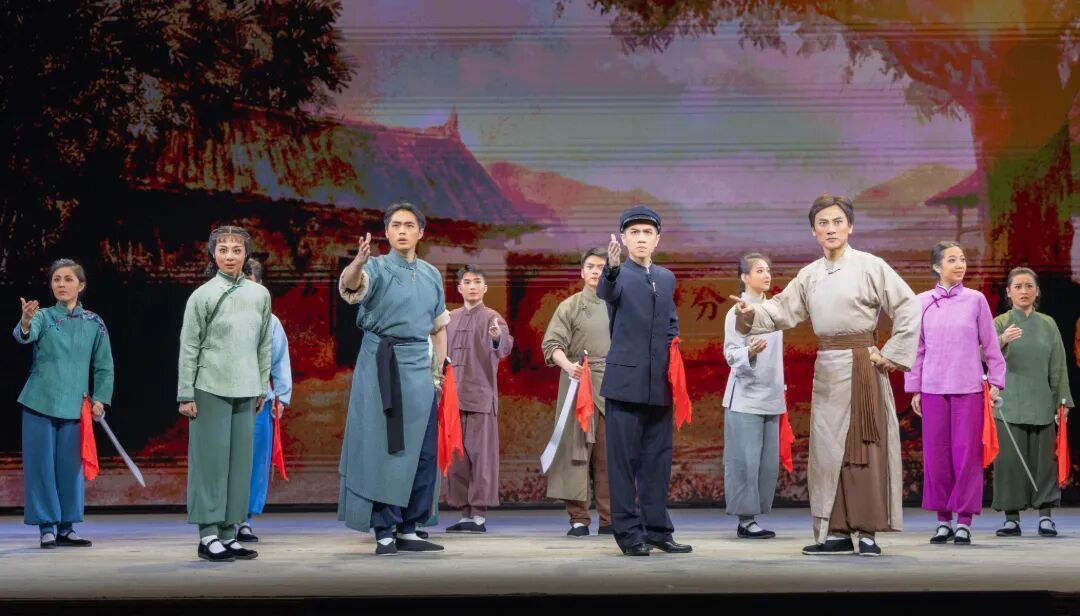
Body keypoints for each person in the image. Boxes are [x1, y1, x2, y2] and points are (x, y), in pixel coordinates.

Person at [731, 194, 919, 557]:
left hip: (863, 365)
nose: (830, 229)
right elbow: (781, 309)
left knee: (863, 447)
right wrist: (750, 314)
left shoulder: (871, 266)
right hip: (828, 369)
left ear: (850, 227)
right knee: (828, 450)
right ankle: (835, 531)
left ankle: (867, 531)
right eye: (823, 223)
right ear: (813, 232)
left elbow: (908, 305)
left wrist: (891, 353)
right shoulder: (810, 275)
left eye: (837, 222)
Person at [338, 202, 448, 555]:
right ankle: (384, 527)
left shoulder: (431, 274)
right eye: (396, 225)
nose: (402, 230)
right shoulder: (375, 267)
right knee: (384, 446)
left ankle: (410, 526)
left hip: (419, 367)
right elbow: (351, 286)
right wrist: (358, 262)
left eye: (409, 225)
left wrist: (438, 373)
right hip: (381, 363)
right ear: (386, 232)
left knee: (423, 449)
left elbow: (438, 328)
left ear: (421, 232)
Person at [598, 205, 691, 556]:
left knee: (657, 462)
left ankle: (658, 531)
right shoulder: (618, 274)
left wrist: (673, 352)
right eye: (634, 232)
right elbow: (607, 293)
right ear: (623, 239)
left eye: (647, 233)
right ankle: (629, 535)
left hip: (659, 383)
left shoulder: (666, 278)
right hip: (625, 383)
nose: (640, 238)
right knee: (623, 464)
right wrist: (610, 268)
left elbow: (670, 321)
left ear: (657, 239)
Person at [178, 225, 270, 562]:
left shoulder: (260, 295)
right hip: (210, 386)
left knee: (239, 465)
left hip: (246, 388)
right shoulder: (202, 295)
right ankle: (208, 535)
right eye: (223, 250)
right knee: (211, 464)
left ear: (246, 254)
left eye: (236, 250)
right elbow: (189, 346)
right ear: (212, 254)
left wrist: (261, 386)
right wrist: (185, 393)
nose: (229, 256)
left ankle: (230, 533)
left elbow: (263, 344)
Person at [905, 241, 1005, 546]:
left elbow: (991, 344)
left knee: (966, 456)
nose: (960, 264)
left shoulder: (976, 300)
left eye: (962, 259)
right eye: (952, 260)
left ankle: (964, 521)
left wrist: (996, 381)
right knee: (937, 456)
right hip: (933, 389)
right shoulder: (921, 302)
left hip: (968, 389)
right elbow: (916, 348)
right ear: (937, 266)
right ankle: (943, 521)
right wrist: (915, 388)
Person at [15, 259, 114, 549]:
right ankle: (47, 527)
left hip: (75, 405)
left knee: (70, 469)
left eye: (68, 279)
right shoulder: (43, 317)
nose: (61, 284)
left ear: (81, 286)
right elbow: (24, 335)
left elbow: (104, 366)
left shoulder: (94, 322)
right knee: (41, 467)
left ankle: (67, 528)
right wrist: (25, 321)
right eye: (56, 279)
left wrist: (100, 399)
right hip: (39, 402)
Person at [992, 267, 1074, 537]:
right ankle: (1011, 518)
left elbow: (1058, 366)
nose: (1024, 291)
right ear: (1008, 292)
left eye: (1029, 286)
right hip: (1008, 404)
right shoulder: (1000, 323)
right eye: (1017, 286)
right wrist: (1002, 340)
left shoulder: (1048, 324)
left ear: (1037, 291)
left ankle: (1046, 516)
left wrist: (1062, 402)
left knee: (1044, 463)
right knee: (1009, 463)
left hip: (1042, 403)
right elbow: (981, 355)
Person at [541, 247, 612, 537]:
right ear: (582, 272)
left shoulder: (619, 305)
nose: (596, 272)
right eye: (591, 266)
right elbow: (552, 345)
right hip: (578, 383)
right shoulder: (569, 306)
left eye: (602, 267)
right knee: (577, 452)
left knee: (610, 456)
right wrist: (568, 365)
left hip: (612, 385)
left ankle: (610, 518)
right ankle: (579, 518)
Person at [445, 265, 514, 533]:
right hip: (452, 400)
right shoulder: (449, 318)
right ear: (459, 288)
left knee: (481, 457)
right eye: (467, 282)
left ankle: (478, 514)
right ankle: (464, 514)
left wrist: (496, 338)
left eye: (477, 282)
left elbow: (504, 346)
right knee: (457, 459)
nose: (472, 286)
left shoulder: (492, 317)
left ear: (485, 288)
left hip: (481, 398)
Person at [722, 253, 785, 539]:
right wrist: (749, 351)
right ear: (744, 277)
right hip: (745, 397)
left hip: (771, 394)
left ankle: (754, 515)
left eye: (768, 270)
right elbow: (730, 354)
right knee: (744, 462)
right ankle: (745, 521)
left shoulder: (774, 310)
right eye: (759, 270)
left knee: (766, 464)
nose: (767, 275)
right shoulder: (737, 311)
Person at [236, 258, 293, 543]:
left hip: (259, 399)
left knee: (255, 461)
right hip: (227, 396)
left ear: (260, 284)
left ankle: (245, 519)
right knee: (228, 460)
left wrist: (281, 397)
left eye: (251, 282)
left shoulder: (270, 322)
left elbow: (280, 361)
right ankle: (223, 517)